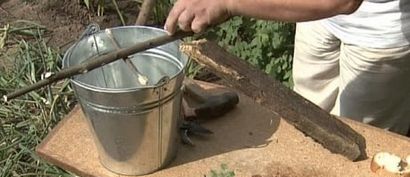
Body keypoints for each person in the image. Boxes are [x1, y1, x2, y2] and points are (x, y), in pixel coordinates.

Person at [165, 0, 410, 136]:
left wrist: (229, 3)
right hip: (314, 17)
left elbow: (339, 1)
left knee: (362, 140)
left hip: (381, 35)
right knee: (308, 117)